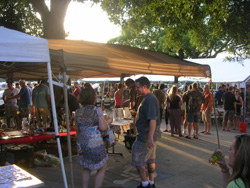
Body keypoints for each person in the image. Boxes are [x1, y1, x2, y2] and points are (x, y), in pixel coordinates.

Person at [75, 86, 111, 188]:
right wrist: (108, 123)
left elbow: (77, 129)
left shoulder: (77, 112)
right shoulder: (97, 110)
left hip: (82, 143)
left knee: (86, 167)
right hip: (94, 143)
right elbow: (103, 127)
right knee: (102, 166)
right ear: (93, 98)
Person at [132, 76, 161, 188]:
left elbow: (152, 119)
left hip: (145, 136)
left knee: (137, 159)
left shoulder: (149, 99)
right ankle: (151, 182)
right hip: (149, 136)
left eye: (138, 87)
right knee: (150, 159)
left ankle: (145, 184)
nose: (136, 89)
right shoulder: (149, 98)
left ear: (145, 86)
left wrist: (149, 138)